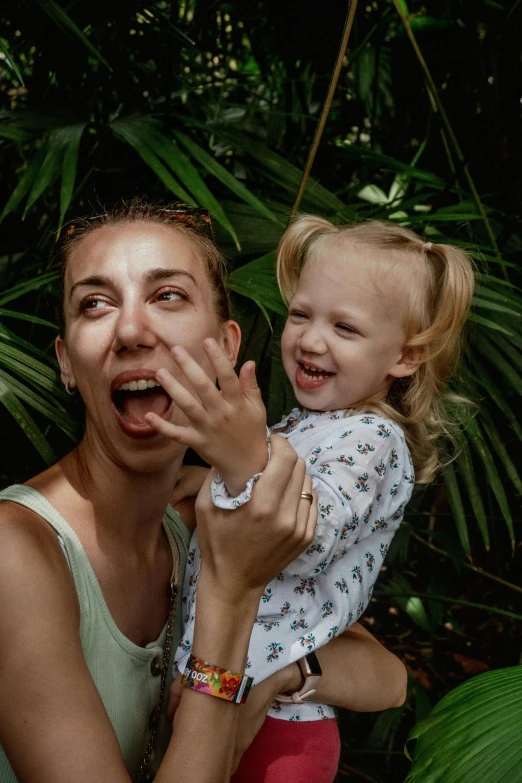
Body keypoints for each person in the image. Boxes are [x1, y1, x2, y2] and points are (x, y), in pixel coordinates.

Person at [0, 202, 407, 783]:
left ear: (225, 344)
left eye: (167, 296)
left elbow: (387, 678)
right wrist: (232, 595)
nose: (133, 331)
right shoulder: (15, 552)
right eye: (95, 303)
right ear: (67, 362)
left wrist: (277, 675)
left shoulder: (207, 515)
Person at [148, 215, 475, 782]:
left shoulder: (373, 438)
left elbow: (304, 532)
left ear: (406, 357)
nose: (311, 338)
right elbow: (280, 488)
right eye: (301, 314)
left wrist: (239, 457)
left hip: (283, 729)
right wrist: (217, 477)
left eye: (345, 328)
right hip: (231, 685)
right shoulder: (310, 426)